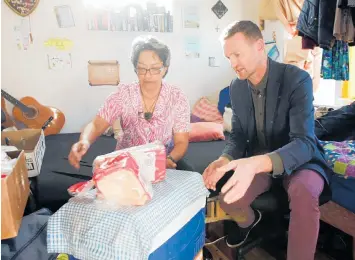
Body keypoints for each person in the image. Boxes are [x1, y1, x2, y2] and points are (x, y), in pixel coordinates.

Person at [203, 21, 331, 260]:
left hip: (300, 160)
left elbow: (304, 142)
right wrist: (224, 159)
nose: (232, 63)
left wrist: (254, 164)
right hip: (260, 159)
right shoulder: (236, 87)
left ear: (260, 46)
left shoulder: (297, 79)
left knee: (304, 192)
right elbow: (238, 136)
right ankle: (254, 223)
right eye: (228, 56)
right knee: (228, 198)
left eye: (237, 54)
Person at [68, 35, 193, 171]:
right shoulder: (123, 94)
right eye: (141, 68)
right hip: (127, 163)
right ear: (135, 68)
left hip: (161, 162)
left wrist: (169, 159)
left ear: (165, 69)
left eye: (155, 68)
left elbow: (181, 141)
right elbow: (96, 124)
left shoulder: (177, 97)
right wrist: (85, 141)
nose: (148, 75)